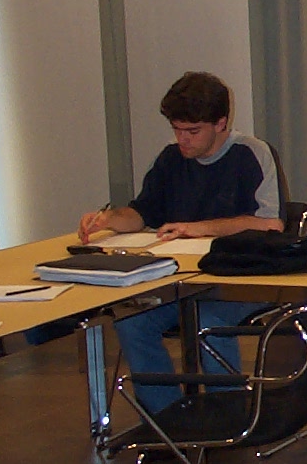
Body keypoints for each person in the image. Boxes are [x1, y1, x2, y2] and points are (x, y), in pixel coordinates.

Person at [78, 72, 283, 410]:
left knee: (208, 321)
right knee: (131, 322)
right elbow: (141, 213)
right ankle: (167, 417)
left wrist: (200, 228)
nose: (182, 140)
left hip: (242, 281)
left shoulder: (251, 154)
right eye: (177, 130)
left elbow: (270, 225)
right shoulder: (170, 160)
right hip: (183, 281)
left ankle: (229, 414)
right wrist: (109, 219)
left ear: (220, 123)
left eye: (192, 131)